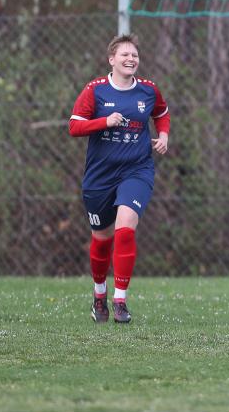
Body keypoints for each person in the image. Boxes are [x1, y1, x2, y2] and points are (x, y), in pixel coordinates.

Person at [69, 33, 170, 324]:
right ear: (111, 60)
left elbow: (162, 113)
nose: (130, 59)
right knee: (102, 239)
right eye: (124, 54)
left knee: (125, 228)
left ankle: (120, 300)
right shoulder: (96, 90)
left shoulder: (149, 91)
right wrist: (105, 121)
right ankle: (99, 296)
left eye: (134, 55)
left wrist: (163, 135)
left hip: (136, 170)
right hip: (100, 176)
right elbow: (74, 127)